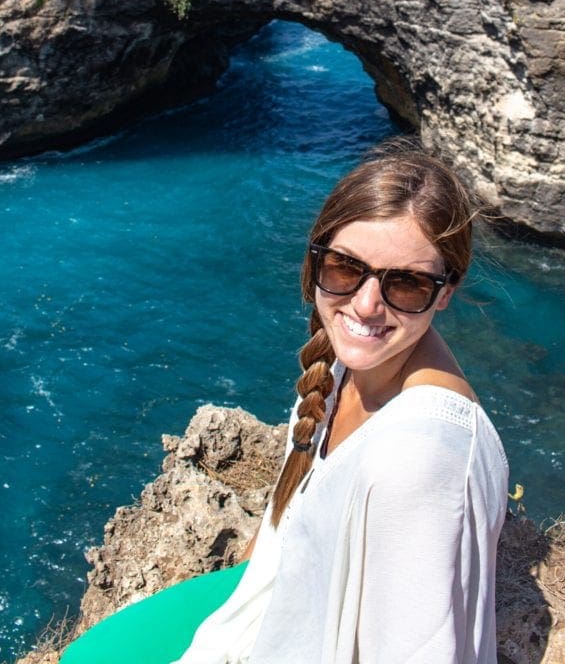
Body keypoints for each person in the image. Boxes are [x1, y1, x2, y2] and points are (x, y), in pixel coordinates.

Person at [173, 140, 508, 664]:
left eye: (408, 283)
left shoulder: (422, 462)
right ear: (317, 258)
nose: (366, 304)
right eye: (345, 268)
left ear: (446, 292)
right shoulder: (347, 367)